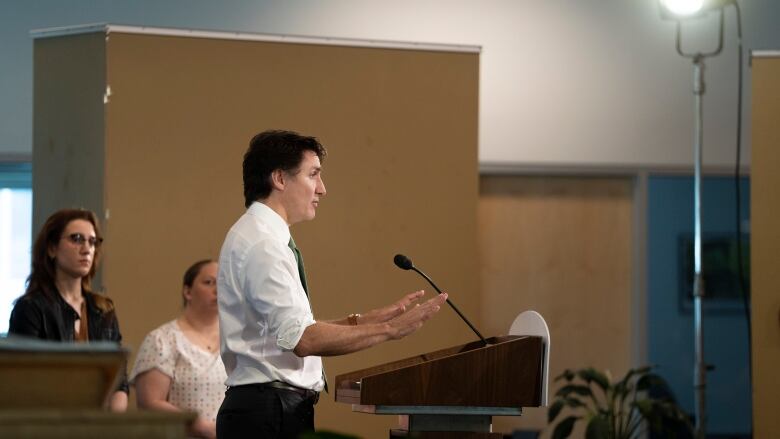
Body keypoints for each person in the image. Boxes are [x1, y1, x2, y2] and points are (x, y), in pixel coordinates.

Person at [216, 129, 448, 439]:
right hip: (269, 414)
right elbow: (303, 340)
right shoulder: (263, 244)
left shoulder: (260, 235)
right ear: (280, 179)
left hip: (269, 409)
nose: (322, 189)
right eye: (313, 175)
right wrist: (391, 330)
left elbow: (284, 332)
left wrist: (361, 322)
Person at [8, 208, 128, 411]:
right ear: (52, 249)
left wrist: (110, 424)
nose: (86, 249)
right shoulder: (30, 308)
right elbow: (22, 382)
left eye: (92, 241)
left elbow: (120, 381)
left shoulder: (104, 308)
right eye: (77, 239)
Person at [130, 259, 226, 439]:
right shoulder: (162, 339)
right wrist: (202, 427)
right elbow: (150, 404)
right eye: (209, 282)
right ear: (188, 291)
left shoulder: (236, 341)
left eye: (223, 282)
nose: (218, 289)